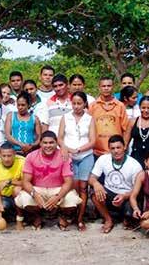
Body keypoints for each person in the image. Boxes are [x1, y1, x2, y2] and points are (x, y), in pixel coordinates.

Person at [15, 131, 82, 230]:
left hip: (58, 188)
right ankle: (37, 216)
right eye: (45, 143)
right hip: (38, 189)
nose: (48, 145)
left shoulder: (64, 156)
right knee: (24, 200)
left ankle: (62, 216)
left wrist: (58, 197)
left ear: (56, 143)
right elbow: (26, 181)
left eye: (51, 142)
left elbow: (68, 182)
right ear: (40, 143)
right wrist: (35, 194)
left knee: (72, 201)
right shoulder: (31, 156)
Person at [88, 135, 143, 233]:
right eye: (112, 148)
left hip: (126, 196)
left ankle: (124, 217)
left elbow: (137, 190)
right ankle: (108, 220)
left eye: (118, 147)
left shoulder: (134, 165)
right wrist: (96, 184)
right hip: (109, 193)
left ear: (124, 147)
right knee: (94, 192)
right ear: (109, 149)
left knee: (130, 219)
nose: (116, 151)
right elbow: (91, 178)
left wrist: (124, 196)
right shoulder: (103, 159)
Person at [58, 91, 96, 231]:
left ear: (85, 103)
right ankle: (69, 216)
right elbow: (60, 137)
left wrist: (79, 149)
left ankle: (80, 218)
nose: (76, 106)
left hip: (85, 156)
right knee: (72, 187)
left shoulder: (90, 119)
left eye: (79, 103)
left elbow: (93, 141)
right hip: (69, 157)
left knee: (83, 188)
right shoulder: (65, 117)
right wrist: (66, 149)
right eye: (74, 103)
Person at [89, 76, 128, 158]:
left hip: (116, 152)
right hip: (96, 152)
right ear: (99, 87)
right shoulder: (92, 106)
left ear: (113, 87)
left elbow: (126, 130)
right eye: (103, 86)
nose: (106, 88)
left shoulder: (120, 106)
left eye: (109, 86)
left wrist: (123, 148)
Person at [0, 142, 25, 230]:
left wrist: (10, 182)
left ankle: (20, 218)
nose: (6, 159)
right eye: (4, 156)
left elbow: (27, 182)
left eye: (9, 156)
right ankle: (5, 218)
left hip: (18, 195)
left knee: (17, 190)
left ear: (14, 154)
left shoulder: (22, 161)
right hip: (3, 197)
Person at [5, 92, 42, 156]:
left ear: (28, 105)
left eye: (23, 105)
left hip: (30, 152)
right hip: (14, 152)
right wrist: (21, 144)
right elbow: (8, 135)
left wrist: (31, 145)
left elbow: (39, 138)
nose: (20, 107)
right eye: (18, 105)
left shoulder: (34, 118)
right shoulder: (11, 115)